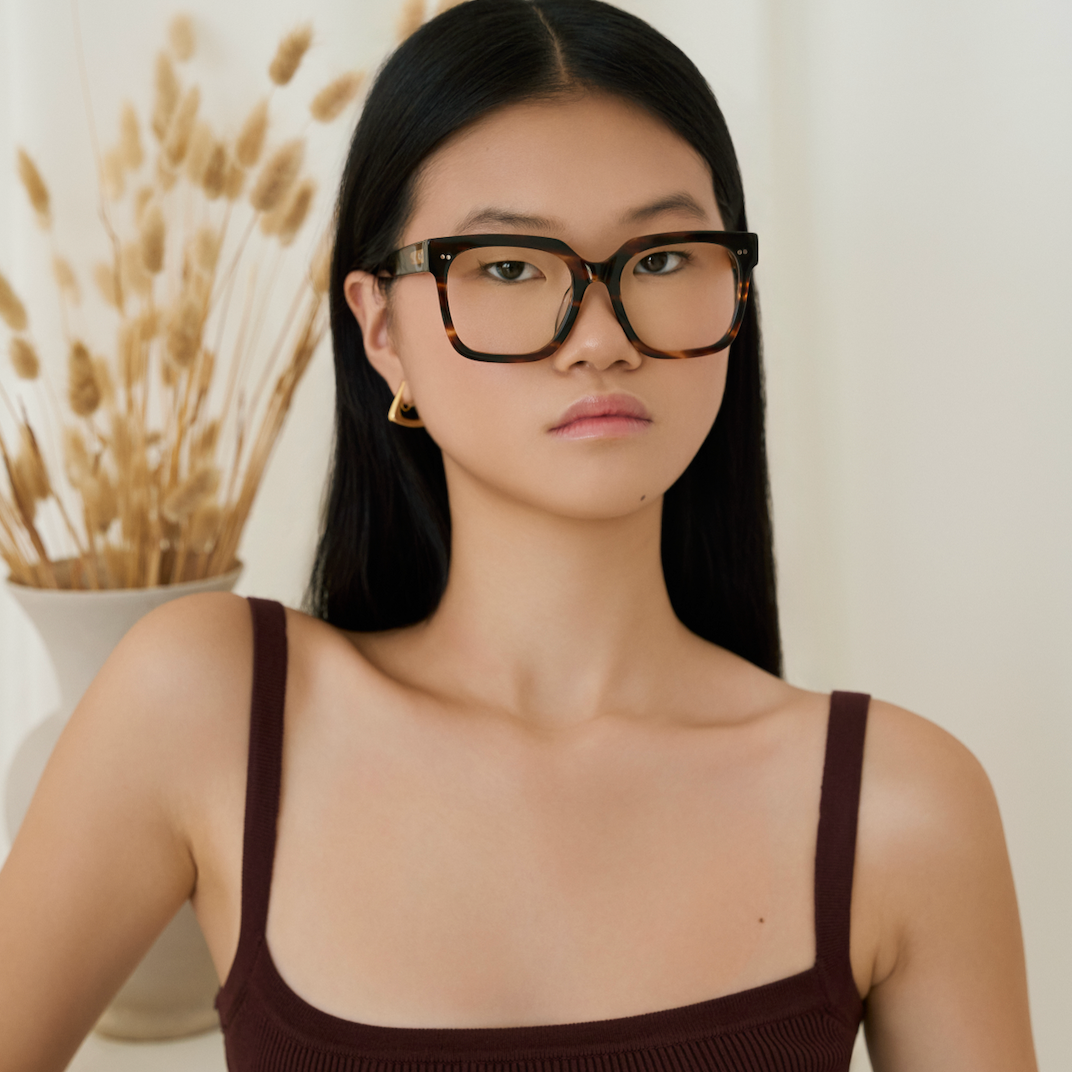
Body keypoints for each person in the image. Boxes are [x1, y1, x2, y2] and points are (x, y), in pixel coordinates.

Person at [0, 1, 1038, 1069]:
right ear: (380, 329)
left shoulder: (898, 807)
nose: (598, 336)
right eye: (505, 266)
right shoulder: (208, 703)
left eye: (665, 257)